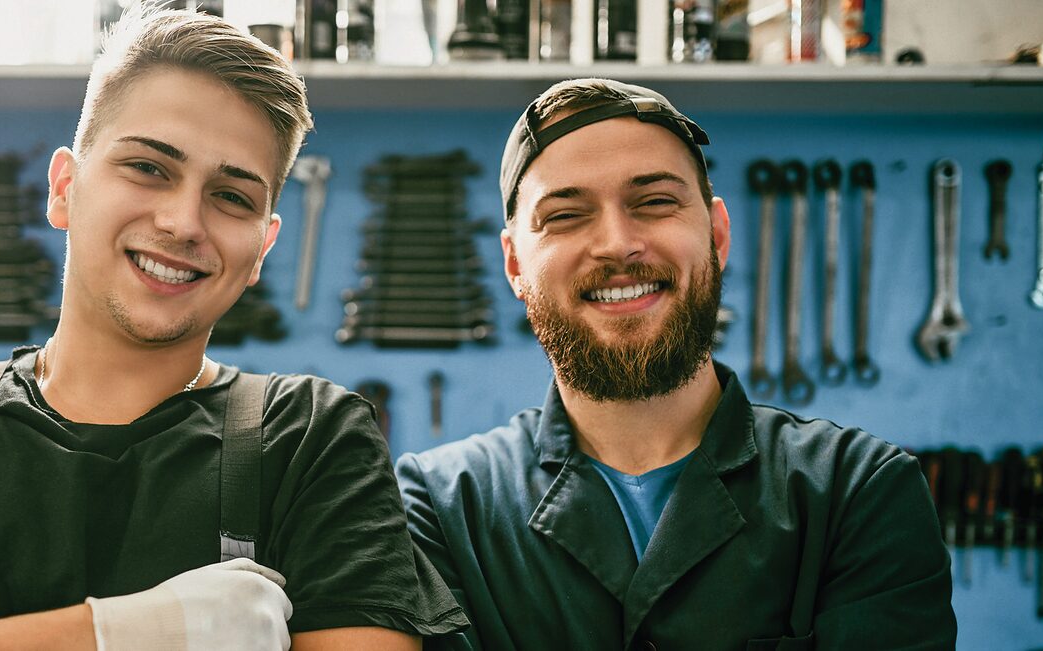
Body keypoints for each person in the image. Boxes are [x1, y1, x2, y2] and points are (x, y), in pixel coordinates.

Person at [0, 8, 465, 650]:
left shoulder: (313, 441)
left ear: (261, 248)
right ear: (65, 188)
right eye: (149, 168)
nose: (182, 221)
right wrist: (116, 632)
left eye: (231, 196)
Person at [396, 79, 955, 650]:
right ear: (515, 264)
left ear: (716, 234)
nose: (617, 244)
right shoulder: (436, 508)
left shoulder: (858, 492)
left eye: (655, 201)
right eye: (565, 215)